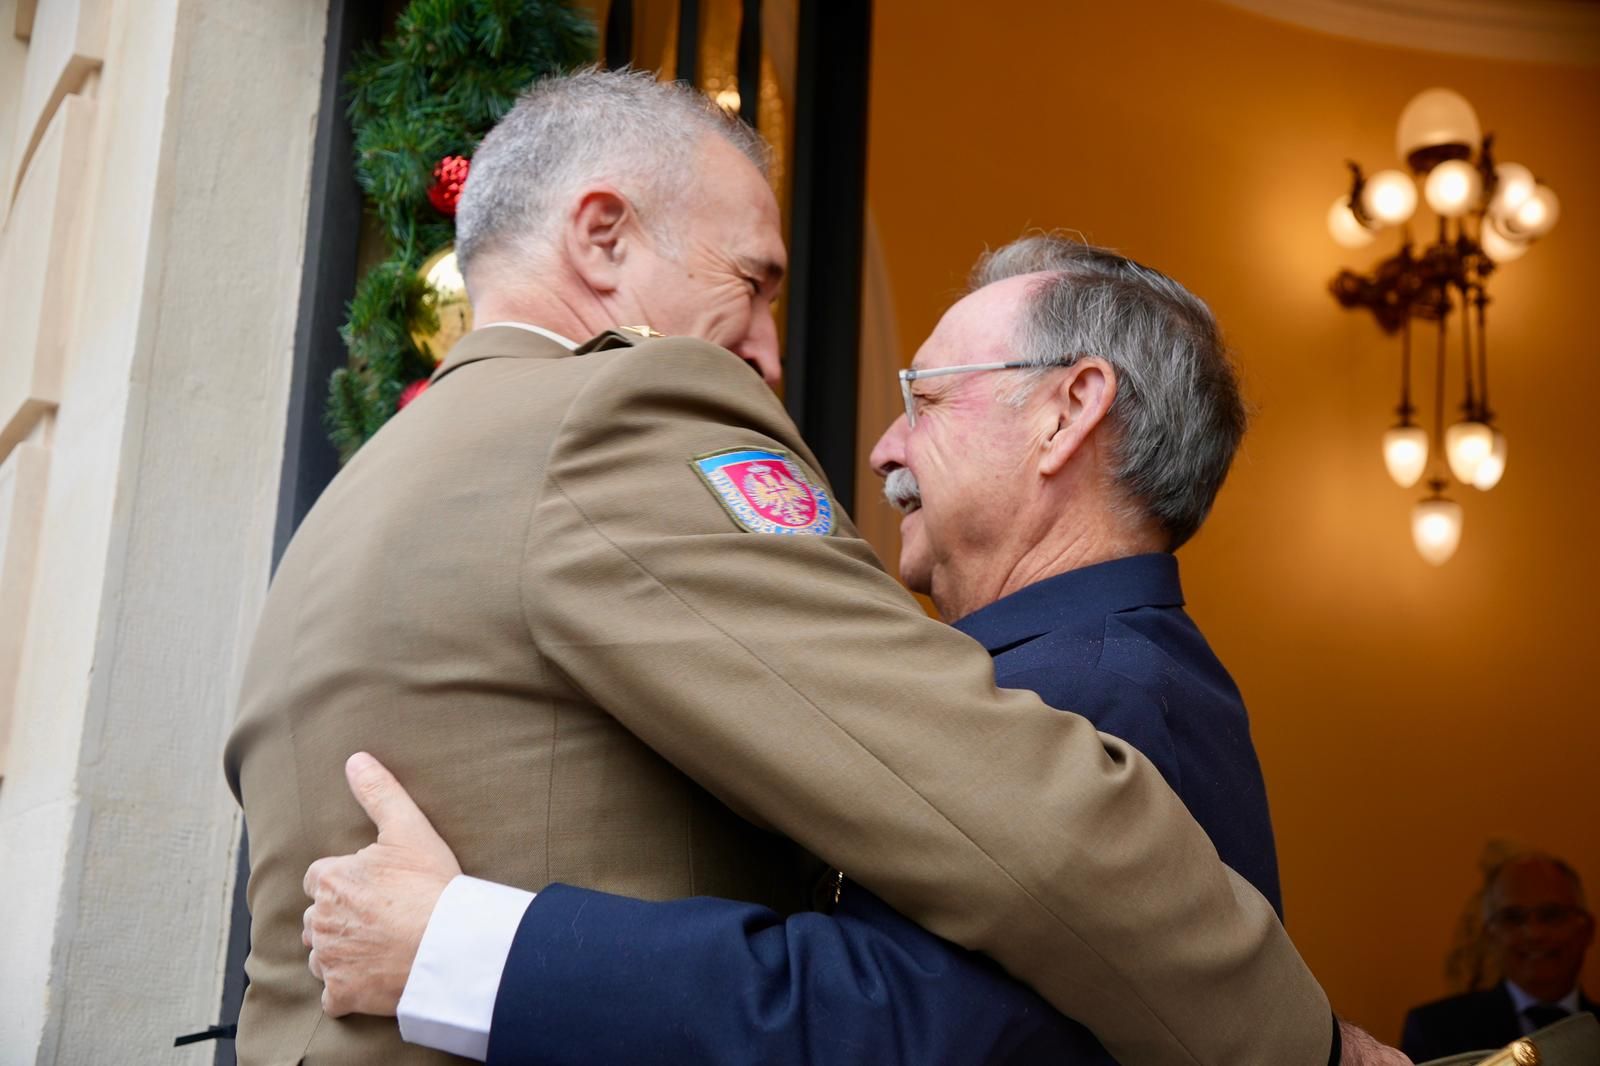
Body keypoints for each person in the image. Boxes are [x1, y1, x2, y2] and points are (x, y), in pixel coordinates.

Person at [227, 69, 1346, 1066]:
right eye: (754, 281)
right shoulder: (624, 409)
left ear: (1071, 416)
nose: (768, 350)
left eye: (928, 399)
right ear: (603, 238)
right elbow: (1017, 822)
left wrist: (465, 945)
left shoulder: (362, 491)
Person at [1401, 853, 1596, 1061]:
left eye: (1552, 914)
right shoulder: (1435, 1031)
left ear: (1587, 930)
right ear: (1490, 936)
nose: (1534, 933)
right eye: (1513, 918)